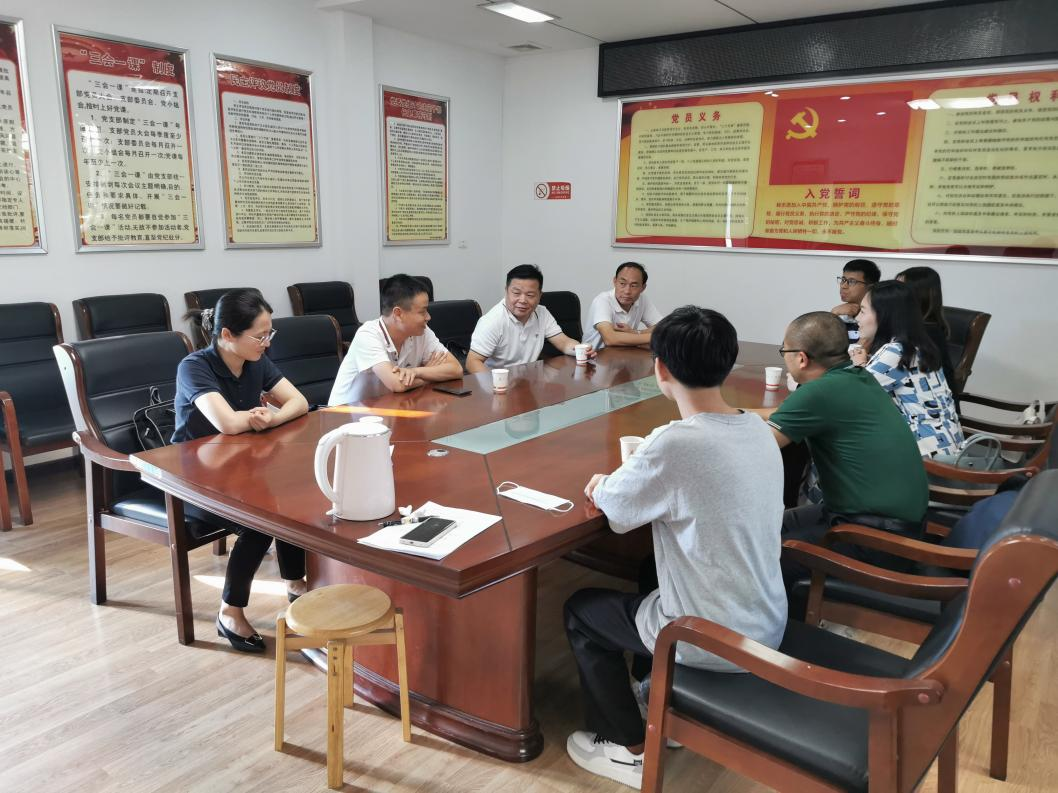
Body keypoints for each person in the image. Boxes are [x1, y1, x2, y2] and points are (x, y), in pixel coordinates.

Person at [564, 306, 786, 789]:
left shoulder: (675, 444)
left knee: (581, 611)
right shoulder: (758, 429)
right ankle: (656, 696)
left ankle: (626, 747)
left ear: (660, 368)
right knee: (650, 569)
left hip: (710, 639)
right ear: (727, 365)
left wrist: (603, 483)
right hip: (766, 619)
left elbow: (617, 510)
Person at [175, 289, 310, 653]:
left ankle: (295, 583)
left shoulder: (255, 360)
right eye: (260, 335)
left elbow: (299, 402)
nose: (267, 343)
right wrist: (259, 417)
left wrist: (272, 417)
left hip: (241, 468)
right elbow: (227, 423)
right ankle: (230, 612)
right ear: (227, 335)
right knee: (258, 520)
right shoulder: (194, 367)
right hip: (192, 479)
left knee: (292, 497)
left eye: (269, 333)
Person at [760, 311, 928, 549]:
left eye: (784, 351)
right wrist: (736, 412)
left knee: (756, 551)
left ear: (801, 358)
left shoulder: (818, 392)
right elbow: (787, 415)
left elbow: (757, 448)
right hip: (899, 522)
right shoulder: (857, 377)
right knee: (761, 528)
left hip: (875, 536)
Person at [850, 280, 964, 458]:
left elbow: (851, 395)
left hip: (926, 454)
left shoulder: (896, 351)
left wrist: (858, 363)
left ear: (884, 315)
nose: (857, 318)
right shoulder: (918, 345)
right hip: (947, 444)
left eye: (863, 311)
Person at [328, 274, 462, 404]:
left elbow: (456, 369)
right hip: (344, 414)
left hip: (387, 407)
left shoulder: (422, 332)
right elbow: (397, 384)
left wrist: (416, 371)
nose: (428, 317)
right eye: (422, 312)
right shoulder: (368, 335)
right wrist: (431, 373)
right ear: (398, 314)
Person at [466, 264, 594, 372]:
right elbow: (472, 361)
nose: (522, 300)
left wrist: (581, 350)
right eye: (516, 293)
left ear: (540, 295)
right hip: (499, 384)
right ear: (506, 291)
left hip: (529, 380)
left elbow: (563, 342)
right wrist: (496, 383)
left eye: (530, 295)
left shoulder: (542, 313)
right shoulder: (492, 321)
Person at [895, 265, 958, 395]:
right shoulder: (909, 326)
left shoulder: (928, 332)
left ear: (917, 295)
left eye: (899, 289)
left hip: (932, 403)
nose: (893, 294)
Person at [582, 262, 662, 351]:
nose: (627, 291)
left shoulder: (642, 299)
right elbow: (610, 338)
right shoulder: (602, 300)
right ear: (615, 281)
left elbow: (663, 327)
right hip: (594, 356)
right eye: (622, 283)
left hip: (624, 354)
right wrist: (654, 337)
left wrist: (636, 332)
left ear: (643, 288)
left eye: (633, 285)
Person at [831, 258, 881, 343]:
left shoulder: (877, 318)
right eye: (843, 280)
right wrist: (833, 315)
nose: (843, 286)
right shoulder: (840, 314)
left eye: (851, 281)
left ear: (870, 287)